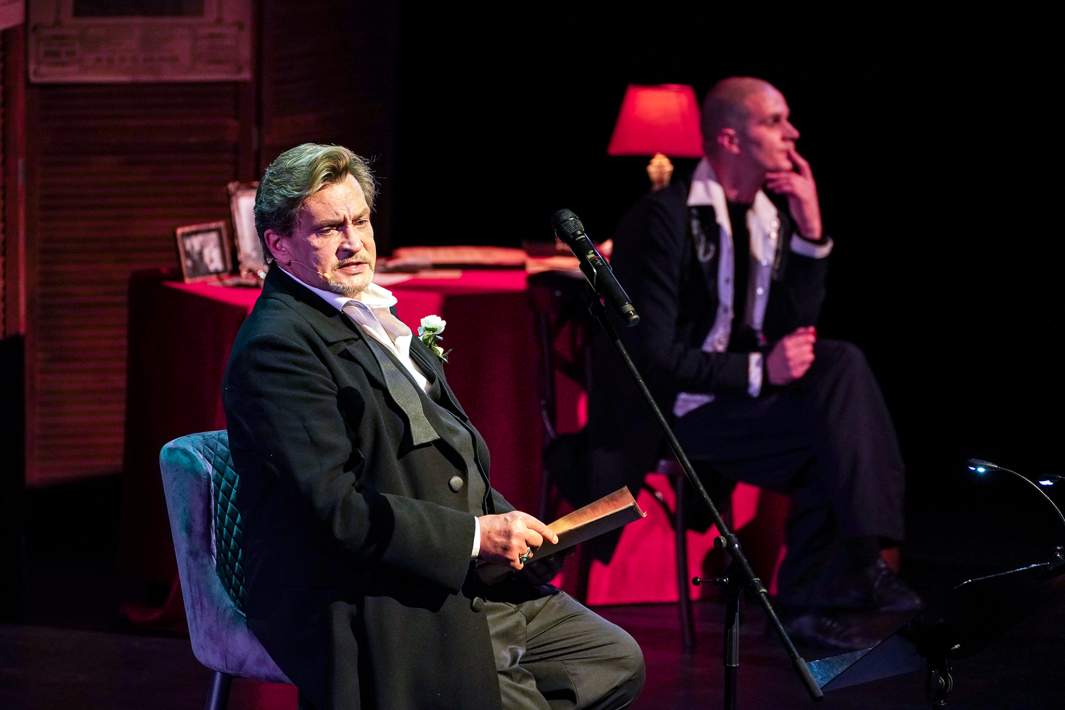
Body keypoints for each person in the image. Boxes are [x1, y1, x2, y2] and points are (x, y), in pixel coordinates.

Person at [223, 143, 644, 710]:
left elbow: (445, 451)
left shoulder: (370, 312)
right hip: (369, 593)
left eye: (360, 221)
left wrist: (510, 527)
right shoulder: (279, 347)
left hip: (454, 571)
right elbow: (337, 512)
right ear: (279, 245)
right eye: (328, 229)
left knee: (612, 659)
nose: (353, 243)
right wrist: (474, 537)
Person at [587, 77, 921, 650]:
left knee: (840, 368)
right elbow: (654, 355)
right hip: (676, 411)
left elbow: (797, 329)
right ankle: (833, 587)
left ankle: (851, 572)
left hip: (738, 402)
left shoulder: (770, 217)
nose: (792, 134)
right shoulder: (664, 217)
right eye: (774, 122)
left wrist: (811, 233)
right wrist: (762, 372)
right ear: (730, 139)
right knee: (830, 440)